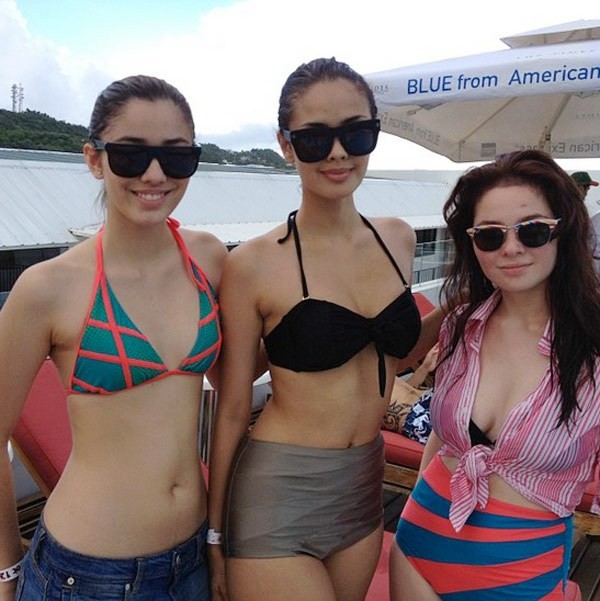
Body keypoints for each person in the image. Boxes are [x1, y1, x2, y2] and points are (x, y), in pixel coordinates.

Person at [207, 57, 442, 601]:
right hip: (278, 488)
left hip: (364, 484)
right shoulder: (254, 265)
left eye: (356, 134)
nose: (337, 153)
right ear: (286, 146)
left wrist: (453, 310)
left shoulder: (398, 239)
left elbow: (394, 354)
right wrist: (215, 534)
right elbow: (234, 406)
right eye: (315, 139)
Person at [0, 75, 228, 600]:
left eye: (176, 156)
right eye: (130, 154)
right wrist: (6, 569)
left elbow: (239, 377)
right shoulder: (48, 287)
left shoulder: (209, 259)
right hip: (87, 576)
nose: (155, 174)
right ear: (94, 159)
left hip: (193, 559)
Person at [390, 150, 600, 600]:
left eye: (532, 230)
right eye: (489, 235)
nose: (511, 247)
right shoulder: (460, 324)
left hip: (521, 573)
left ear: (563, 231)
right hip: (416, 552)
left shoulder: (593, 348)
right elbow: (444, 439)